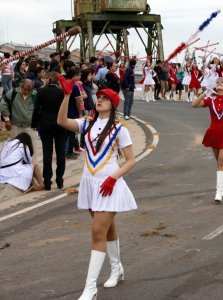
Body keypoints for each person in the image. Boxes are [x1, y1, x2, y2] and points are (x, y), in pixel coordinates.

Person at [57, 75, 137, 300]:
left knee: (97, 231)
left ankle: (90, 288)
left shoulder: (120, 128)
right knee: (107, 228)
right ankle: (117, 268)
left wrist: (113, 178)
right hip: (90, 183)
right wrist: (66, 95)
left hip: (109, 184)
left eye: (104, 98)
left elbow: (131, 160)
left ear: (112, 104)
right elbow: (62, 121)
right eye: (98, 97)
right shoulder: (86, 123)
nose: (99, 100)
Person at [31, 72, 67, 190]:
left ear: (48, 79)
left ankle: (47, 181)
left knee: (47, 153)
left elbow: (36, 109)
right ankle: (60, 179)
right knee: (60, 152)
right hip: (60, 123)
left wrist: (34, 124)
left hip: (45, 123)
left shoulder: (41, 91)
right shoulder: (62, 92)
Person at [0, 79, 40, 160]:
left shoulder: (35, 95)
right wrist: (7, 119)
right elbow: (3, 103)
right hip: (15, 126)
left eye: (29, 90)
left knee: (32, 150)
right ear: (21, 87)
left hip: (30, 126)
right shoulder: (13, 92)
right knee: (14, 149)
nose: (26, 92)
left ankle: (32, 168)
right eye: (25, 89)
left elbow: (41, 110)